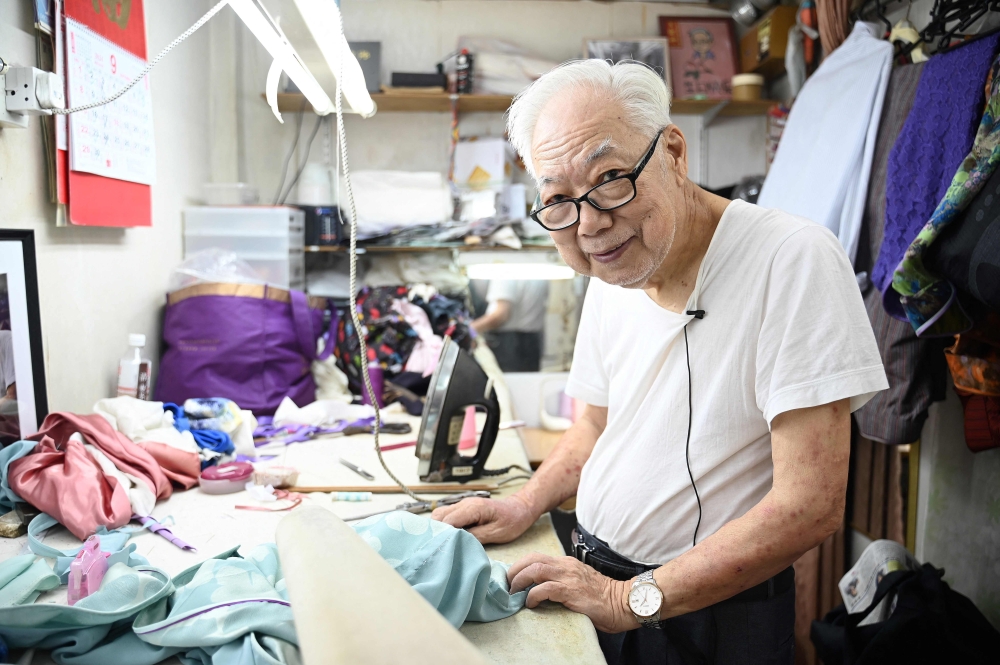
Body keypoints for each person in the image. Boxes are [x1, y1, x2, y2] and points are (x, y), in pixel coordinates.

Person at [433, 60, 887, 665]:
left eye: (612, 178)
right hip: (597, 581)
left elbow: (809, 505)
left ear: (673, 151)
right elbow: (594, 427)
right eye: (559, 201)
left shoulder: (792, 259)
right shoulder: (613, 271)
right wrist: (528, 501)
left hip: (705, 614)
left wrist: (630, 600)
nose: (590, 223)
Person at [471, 280, 549, 372]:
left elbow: (501, 315)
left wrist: (470, 330)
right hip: (533, 341)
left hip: (510, 344)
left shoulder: (505, 273)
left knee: (507, 383)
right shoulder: (539, 273)